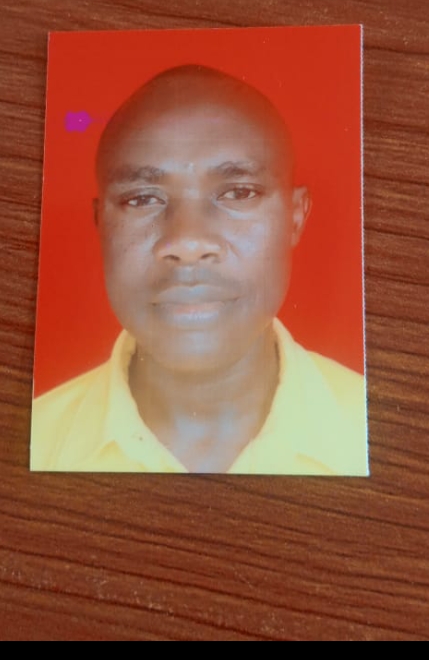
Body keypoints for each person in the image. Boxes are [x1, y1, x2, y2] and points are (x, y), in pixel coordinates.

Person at [30, 63, 368, 475]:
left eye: (239, 192)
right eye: (142, 199)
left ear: (295, 217)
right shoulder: (39, 440)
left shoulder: (369, 434)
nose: (187, 244)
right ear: (101, 225)